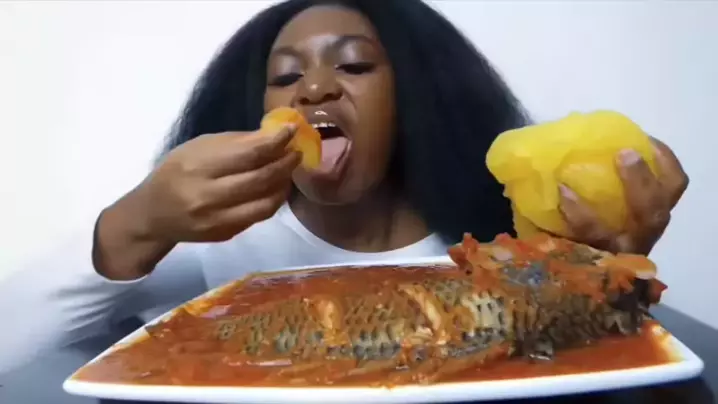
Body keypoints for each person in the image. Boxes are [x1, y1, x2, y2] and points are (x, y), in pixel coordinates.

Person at [0, 0, 688, 374]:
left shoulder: (498, 245)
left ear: (412, 97)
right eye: (286, 76)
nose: (314, 89)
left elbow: (599, 354)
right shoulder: (212, 250)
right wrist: (133, 224)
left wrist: (605, 269)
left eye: (354, 66)